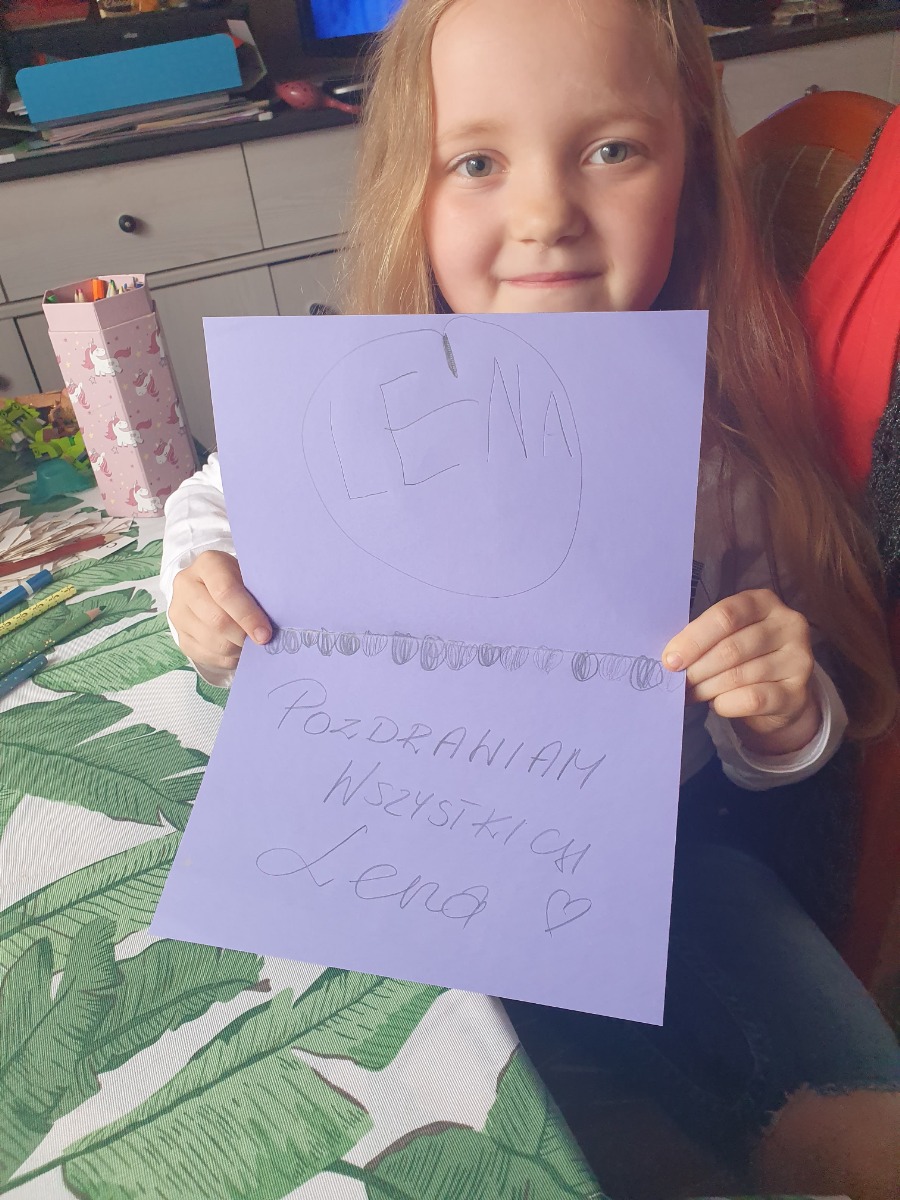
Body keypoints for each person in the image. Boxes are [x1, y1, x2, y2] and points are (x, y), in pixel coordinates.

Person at [160, 0, 900, 1194]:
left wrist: (780, 707)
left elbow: (774, 752)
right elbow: (209, 498)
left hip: (654, 869)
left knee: (866, 1140)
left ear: (689, 179)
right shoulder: (366, 392)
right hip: (375, 837)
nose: (547, 212)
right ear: (414, 191)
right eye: (478, 162)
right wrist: (201, 587)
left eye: (611, 149)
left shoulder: (716, 457)